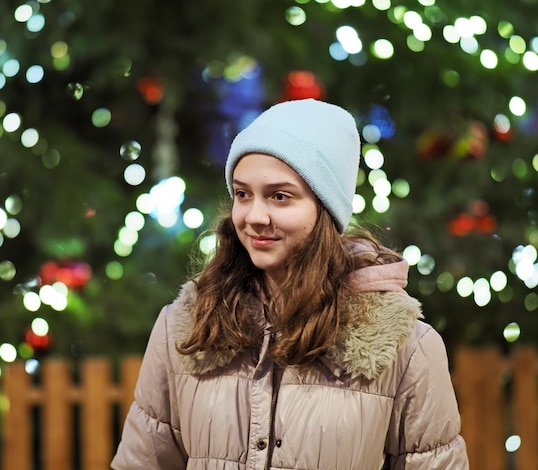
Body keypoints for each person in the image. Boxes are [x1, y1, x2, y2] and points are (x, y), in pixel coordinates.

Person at [111, 98, 469, 469]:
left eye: (280, 197)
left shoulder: (405, 346)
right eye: (242, 194)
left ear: (324, 209)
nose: (254, 216)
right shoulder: (185, 328)